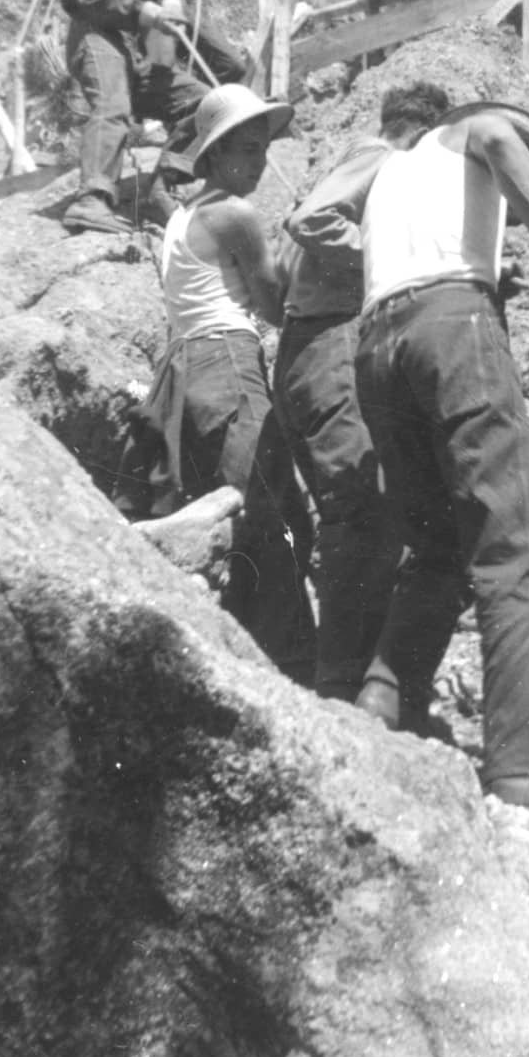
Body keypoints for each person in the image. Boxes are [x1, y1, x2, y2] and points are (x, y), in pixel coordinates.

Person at [285, 84, 529, 817]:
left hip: (377, 345)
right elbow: (500, 143)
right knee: (508, 545)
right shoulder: (474, 132)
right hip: (452, 327)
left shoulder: (394, 172)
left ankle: (382, 698)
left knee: (436, 550)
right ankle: (524, 763)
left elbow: (412, 260)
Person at [126, 83, 315, 679]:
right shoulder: (234, 214)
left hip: (186, 374)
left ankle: (247, 658)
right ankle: (292, 669)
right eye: (249, 151)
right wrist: (297, 251)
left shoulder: (182, 218)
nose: (260, 164)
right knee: (271, 518)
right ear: (215, 154)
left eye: (264, 151)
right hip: (228, 364)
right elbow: (270, 305)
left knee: (249, 517)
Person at [272, 90, 412, 702]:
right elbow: (309, 222)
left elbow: (284, 262)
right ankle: (341, 684)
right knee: (360, 513)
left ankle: (345, 672)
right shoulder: (381, 158)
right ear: (418, 133)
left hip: (305, 346)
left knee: (353, 514)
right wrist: (390, 250)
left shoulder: (346, 165)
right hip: (327, 343)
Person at [60, 0, 208, 235]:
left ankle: (163, 184)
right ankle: (92, 199)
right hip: (93, 34)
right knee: (113, 104)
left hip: (127, 46)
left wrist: (165, 10)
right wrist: (144, 10)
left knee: (203, 101)